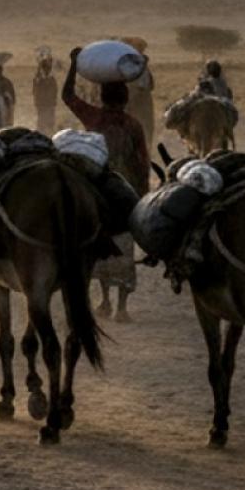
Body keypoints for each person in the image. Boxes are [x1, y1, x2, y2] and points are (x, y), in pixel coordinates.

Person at [62, 47, 150, 321]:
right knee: (124, 243)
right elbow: (142, 162)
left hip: (96, 187)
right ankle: (122, 307)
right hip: (126, 190)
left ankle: (104, 301)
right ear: (125, 100)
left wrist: (74, 65)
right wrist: (142, 196)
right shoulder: (133, 124)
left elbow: (68, 96)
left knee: (96, 240)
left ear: (102, 98)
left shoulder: (93, 117)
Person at [32, 60, 59, 134]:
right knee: (41, 122)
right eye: (45, 68)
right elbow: (35, 90)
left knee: (50, 123)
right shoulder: (39, 79)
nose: (47, 70)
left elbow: (55, 91)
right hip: (42, 104)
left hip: (49, 104)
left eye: (48, 68)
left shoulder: (51, 79)